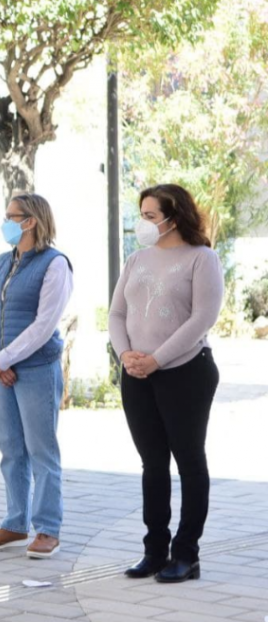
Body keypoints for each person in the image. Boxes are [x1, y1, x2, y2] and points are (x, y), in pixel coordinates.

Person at [110, 184, 223, 583]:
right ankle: (154, 551)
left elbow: (201, 318)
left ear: (173, 217)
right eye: (141, 215)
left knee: (189, 462)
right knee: (152, 464)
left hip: (186, 373)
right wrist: (127, 356)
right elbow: (117, 314)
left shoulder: (202, 258)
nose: (142, 223)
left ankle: (186, 554)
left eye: (149, 216)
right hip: (137, 375)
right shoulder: (136, 259)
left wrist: (157, 359)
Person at [0, 193, 72, 559]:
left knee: (41, 449)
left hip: (36, 369)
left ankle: (48, 528)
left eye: (11, 216)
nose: (6, 222)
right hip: (0, 371)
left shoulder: (55, 264)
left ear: (30, 221)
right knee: (11, 449)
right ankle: (15, 523)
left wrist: (4, 358)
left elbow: (44, 324)